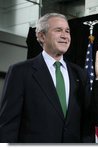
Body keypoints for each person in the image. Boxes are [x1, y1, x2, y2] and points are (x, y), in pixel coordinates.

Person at [0, 13, 93, 142]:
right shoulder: (20, 72)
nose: (65, 36)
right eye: (58, 30)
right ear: (41, 36)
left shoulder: (80, 74)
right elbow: (8, 125)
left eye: (67, 31)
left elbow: (86, 125)